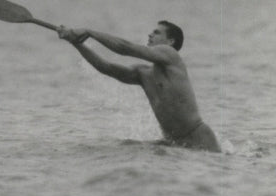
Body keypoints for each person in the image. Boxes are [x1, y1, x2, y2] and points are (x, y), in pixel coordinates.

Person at [58, 20, 221, 152]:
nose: (150, 34)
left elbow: (125, 48)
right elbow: (105, 67)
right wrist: (76, 43)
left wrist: (89, 32)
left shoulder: (171, 55)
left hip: (200, 139)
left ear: (170, 42)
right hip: (174, 144)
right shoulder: (144, 74)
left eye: (157, 32)